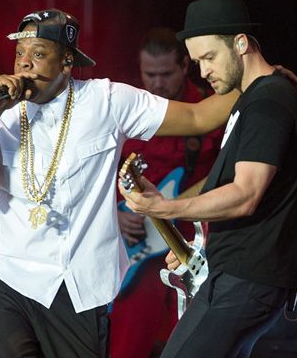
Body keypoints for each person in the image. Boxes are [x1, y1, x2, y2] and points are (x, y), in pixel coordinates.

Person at [0, 8, 245, 358]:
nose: (25, 64)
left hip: (79, 287)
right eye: (20, 54)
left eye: (39, 54)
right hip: (12, 280)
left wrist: (258, 80)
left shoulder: (107, 100)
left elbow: (198, 116)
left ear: (67, 62)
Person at [119, 0, 297, 358]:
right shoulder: (253, 97)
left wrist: (168, 207)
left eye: (209, 58)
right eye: (196, 62)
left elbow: (246, 193)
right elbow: (225, 185)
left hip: (246, 280)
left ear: (241, 43)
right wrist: (194, 243)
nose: (203, 72)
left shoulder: (269, 102)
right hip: (236, 274)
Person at [109, 27, 226, 358]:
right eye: (149, 74)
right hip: (137, 249)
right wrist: (113, 214)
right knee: (127, 344)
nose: (157, 83)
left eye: (165, 74)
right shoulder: (128, 108)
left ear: (185, 66)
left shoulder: (209, 109)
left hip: (194, 244)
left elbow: (229, 176)